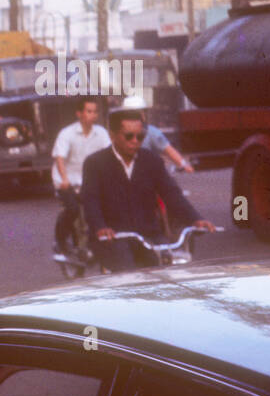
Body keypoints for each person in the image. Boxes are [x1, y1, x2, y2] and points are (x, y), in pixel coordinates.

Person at [80, 108, 214, 272]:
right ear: (112, 135)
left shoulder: (151, 160)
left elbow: (171, 193)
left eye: (140, 136)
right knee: (128, 274)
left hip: (149, 235)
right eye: (129, 136)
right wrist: (100, 227)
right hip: (114, 238)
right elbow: (90, 200)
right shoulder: (95, 163)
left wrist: (194, 219)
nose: (135, 141)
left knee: (171, 270)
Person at [50, 96, 111, 253]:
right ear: (79, 114)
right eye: (89, 111)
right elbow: (60, 158)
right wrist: (64, 179)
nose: (93, 115)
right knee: (73, 209)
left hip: (88, 182)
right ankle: (60, 240)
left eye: (95, 112)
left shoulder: (101, 133)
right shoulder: (67, 133)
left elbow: (109, 155)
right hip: (66, 180)